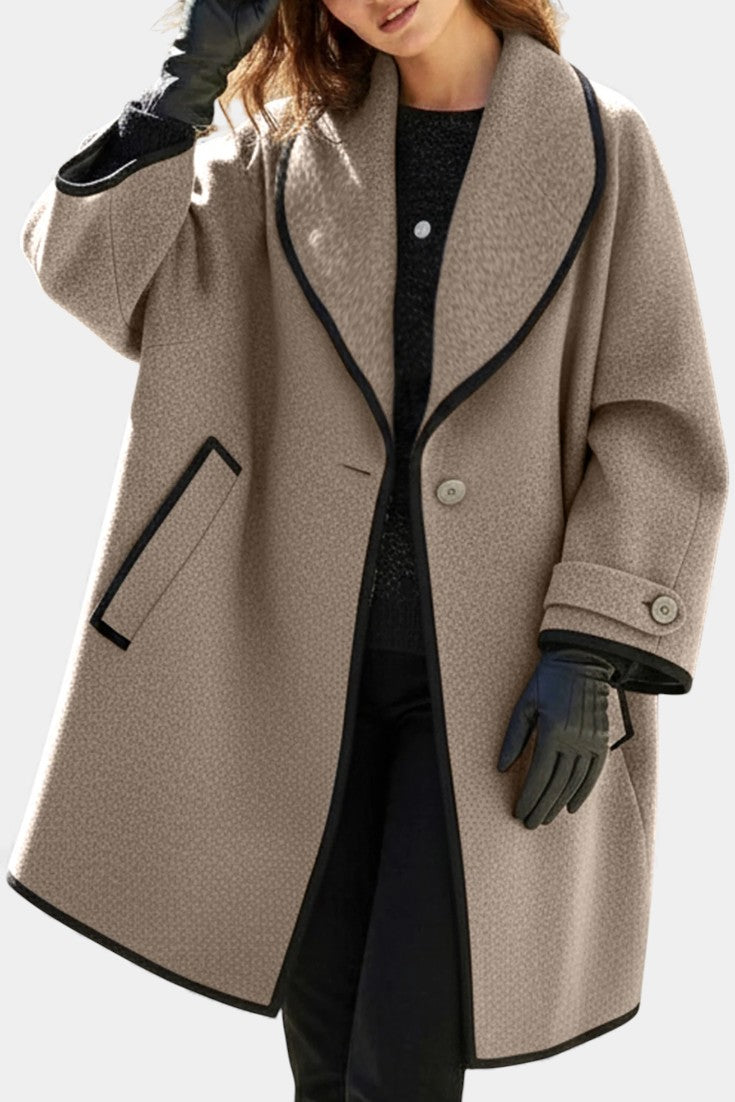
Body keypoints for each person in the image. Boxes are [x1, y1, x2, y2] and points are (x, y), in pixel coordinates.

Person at [8, 1, 728, 1098]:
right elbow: (96, 278)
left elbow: (656, 418)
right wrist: (181, 92)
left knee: (398, 1067)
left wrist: (594, 644)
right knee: (330, 1066)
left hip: (494, 689)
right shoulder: (277, 146)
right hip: (291, 673)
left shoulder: (602, 141)